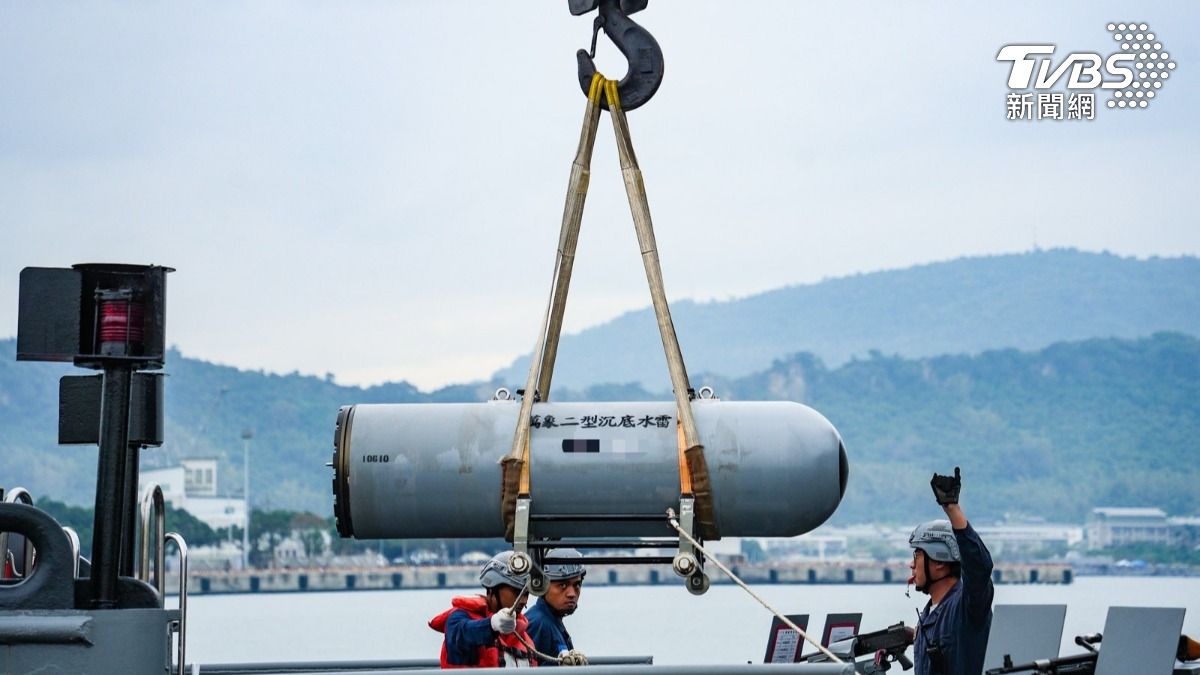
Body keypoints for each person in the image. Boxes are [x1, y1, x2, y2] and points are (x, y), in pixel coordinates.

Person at [908, 467, 994, 675]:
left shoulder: (967, 607)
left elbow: (979, 568)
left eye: (917, 556)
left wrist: (952, 509)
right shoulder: (929, 616)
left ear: (939, 561)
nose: (912, 565)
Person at [428, 550, 538, 668]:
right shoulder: (458, 619)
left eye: (526, 594)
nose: (523, 601)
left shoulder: (523, 637)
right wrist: (491, 625)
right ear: (492, 589)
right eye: (517, 592)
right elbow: (460, 634)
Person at [525, 549, 588, 667]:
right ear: (543, 586)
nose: (572, 593)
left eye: (577, 585)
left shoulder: (551, 621)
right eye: (562, 585)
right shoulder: (538, 624)